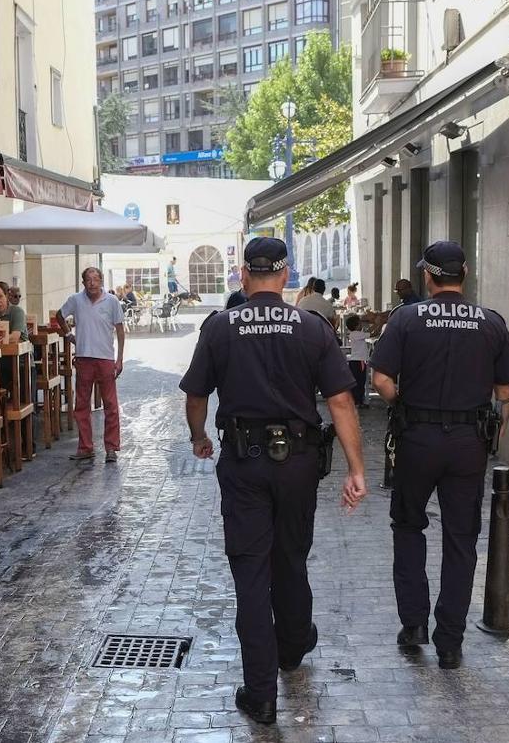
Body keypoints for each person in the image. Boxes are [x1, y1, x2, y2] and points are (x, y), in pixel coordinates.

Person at [180, 237, 368, 724]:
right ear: (285, 277)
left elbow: (196, 395)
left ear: (244, 275)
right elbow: (341, 401)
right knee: (291, 557)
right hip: (299, 462)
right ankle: (291, 647)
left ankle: (261, 693)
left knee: (250, 571)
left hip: (244, 463)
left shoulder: (220, 327)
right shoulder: (312, 327)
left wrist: (199, 436)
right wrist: (356, 468)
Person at [369, 241, 509, 670]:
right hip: (467, 443)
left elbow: (380, 380)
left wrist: (405, 403)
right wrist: (495, 432)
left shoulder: (406, 318)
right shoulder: (490, 322)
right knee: (460, 539)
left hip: (417, 437)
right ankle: (450, 642)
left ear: (427, 276)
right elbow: (506, 392)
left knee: (408, 526)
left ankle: (414, 624)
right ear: (465, 273)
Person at [59, 267, 125, 463]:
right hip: (84, 357)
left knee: (111, 405)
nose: (92, 283)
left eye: (96, 279)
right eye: (88, 279)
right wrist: (69, 335)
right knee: (81, 405)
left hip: (105, 358)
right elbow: (59, 316)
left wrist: (119, 359)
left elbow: (120, 331)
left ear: (102, 281)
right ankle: (85, 447)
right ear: (83, 282)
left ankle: (111, 448)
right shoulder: (76, 300)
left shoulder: (112, 301)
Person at [345, 314, 369, 408]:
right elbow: (373, 333)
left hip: (356, 361)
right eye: (360, 323)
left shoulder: (354, 334)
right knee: (360, 381)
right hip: (359, 361)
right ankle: (358, 401)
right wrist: (379, 324)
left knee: (357, 382)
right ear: (356, 326)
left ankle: (358, 400)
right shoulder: (356, 334)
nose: (362, 325)